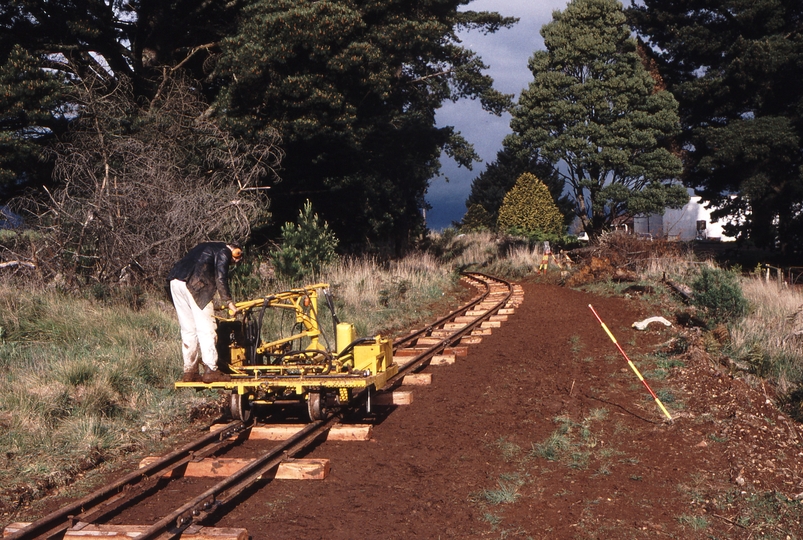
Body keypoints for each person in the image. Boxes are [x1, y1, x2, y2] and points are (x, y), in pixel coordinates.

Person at [167, 241, 243, 383]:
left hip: (175, 281)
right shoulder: (224, 251)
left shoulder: (204, 246)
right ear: (235, 250)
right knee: (206, 328)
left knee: (188, 329)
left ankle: (190, 372)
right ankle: (211, 370)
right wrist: (229, 302)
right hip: (197, 284)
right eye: (238, 257)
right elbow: (221, 278)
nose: (237, 261)